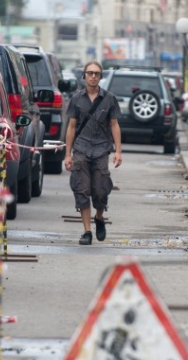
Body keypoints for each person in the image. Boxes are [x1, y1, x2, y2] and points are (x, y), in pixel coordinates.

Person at [64, 61, 122, 245]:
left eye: (97, 73)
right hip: (81, 149)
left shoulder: (110, 99)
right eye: (90, 73)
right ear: (84, 76)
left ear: (101, 76)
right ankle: (87, 231)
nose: (93, 76)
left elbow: (114, 125)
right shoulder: (76, 99)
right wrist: (67, 154)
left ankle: (99, 217)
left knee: (100, 190)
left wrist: (118, 151)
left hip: (101, 150)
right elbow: (71, 127)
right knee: (82, 189)